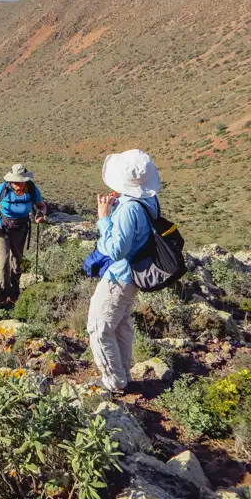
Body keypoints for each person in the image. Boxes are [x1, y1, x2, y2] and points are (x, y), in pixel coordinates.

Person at [87, 149, 161, 395]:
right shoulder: (148, 200)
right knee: (120, 324)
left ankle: (114, 382)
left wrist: (104, 218)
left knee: (99, 327)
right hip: (134, 274)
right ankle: (123, 375)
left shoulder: (130, 209)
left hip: (120, 276)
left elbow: (116, 250)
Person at [0, 164, 46, 301]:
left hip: (20, 227)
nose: (19, 185)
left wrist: (40, 215)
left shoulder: (32, 189)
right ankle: (4, 291)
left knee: (17, 260)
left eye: (21, 182)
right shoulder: (3, 188)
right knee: (3, 260)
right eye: (16, 182)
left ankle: (14, 286)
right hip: (1, 226)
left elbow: (41, 206)